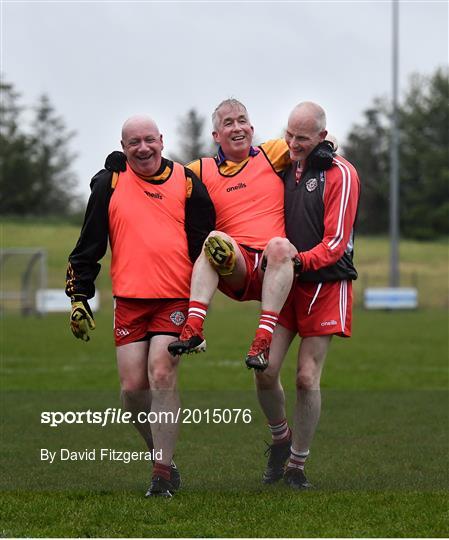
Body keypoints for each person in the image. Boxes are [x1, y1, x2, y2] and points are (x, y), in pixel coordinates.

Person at [65, 115, 215, 498]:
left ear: (162, 141)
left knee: (161, 376)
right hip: (129, 301)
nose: (143, 148)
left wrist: (198, 312)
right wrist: (80, 296)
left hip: (175, 299)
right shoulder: (108, 183)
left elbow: (204, 253)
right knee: (133, 390)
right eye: (134, 142)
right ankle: (161, 455)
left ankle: (161, 475)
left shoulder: (187, 183)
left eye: (149, 139)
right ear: (123, 146)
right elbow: (89, 244)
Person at [254, 102, 360, 490]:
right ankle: (281, 441)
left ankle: (297, 465)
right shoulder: (281, 165)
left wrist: (294, 262)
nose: (292, 143)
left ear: (322, 137)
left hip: (327, 284)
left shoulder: (342, 173)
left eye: (301, 137)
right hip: (288, 282)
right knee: (264, 369)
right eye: (289, 134)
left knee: (304, 377)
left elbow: (335, 243)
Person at [167, 99, 300, 369]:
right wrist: (120, 166)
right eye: (228, 123)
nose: (237, 127)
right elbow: (162, 176)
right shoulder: (201, 170)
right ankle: (194, 327)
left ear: (251, 128)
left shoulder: (272, 153)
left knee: (280, 246)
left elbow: (312, 137)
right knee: (216, 240)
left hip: (272, 267)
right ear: (216, 136)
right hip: (235, 266)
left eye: (242, 121)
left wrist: (329, 145)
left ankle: (262, 340)